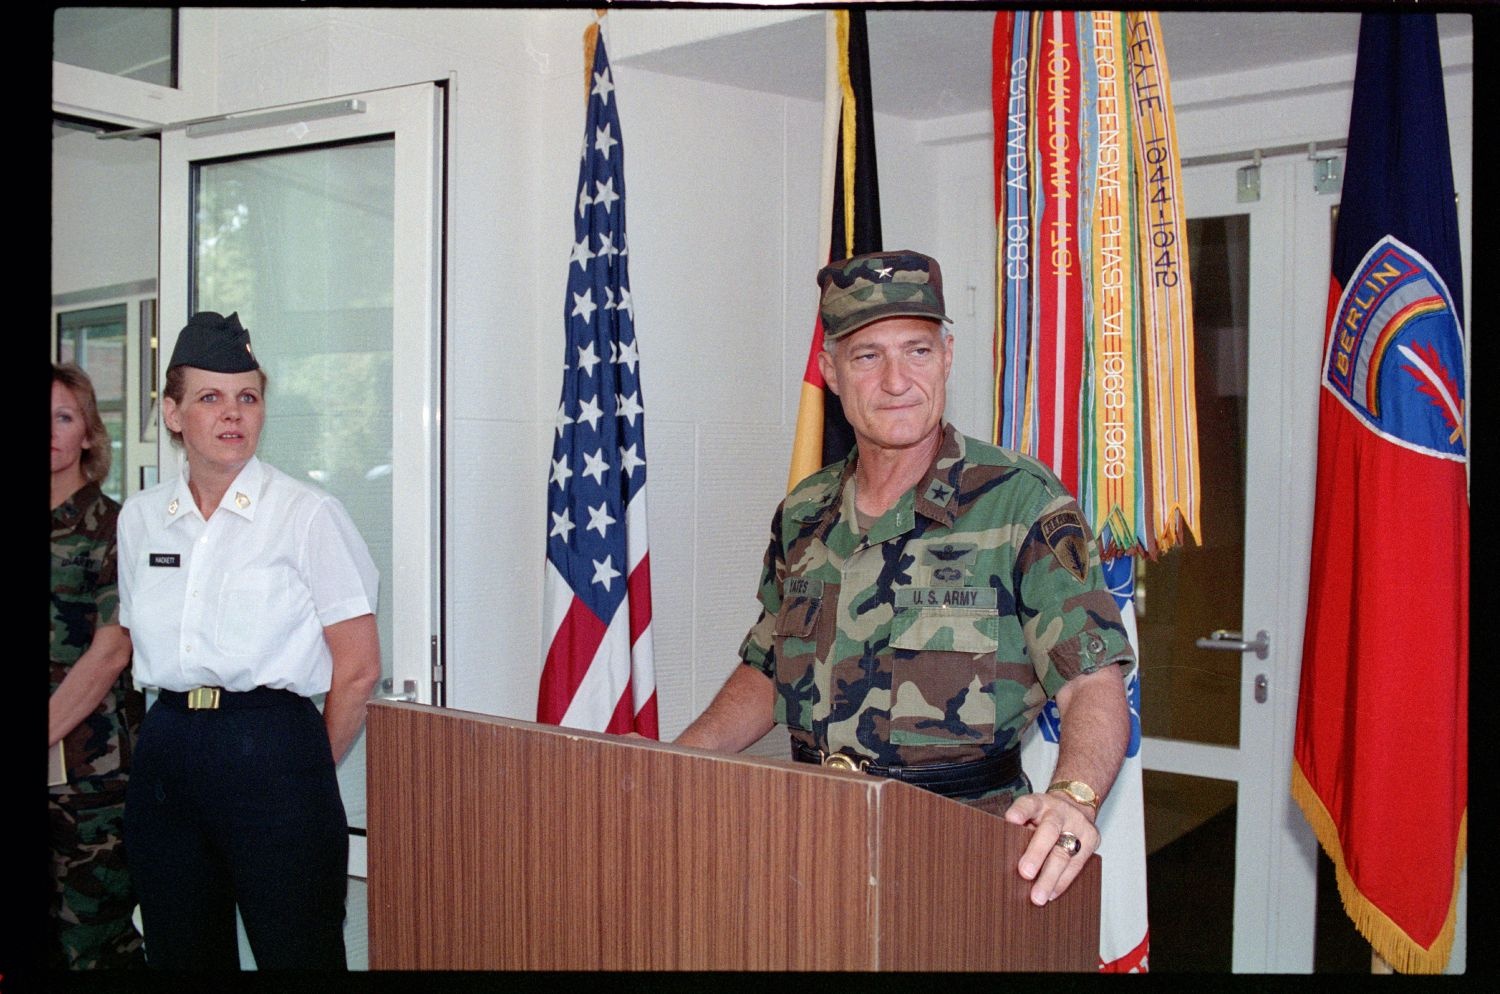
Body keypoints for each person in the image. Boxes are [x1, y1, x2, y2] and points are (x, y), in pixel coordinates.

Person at [676, 250, 1135, 907]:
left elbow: (1091, 680)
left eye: (917, 351)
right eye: (867, 357)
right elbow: (770, 668)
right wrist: (673, 761)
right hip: (808, 846)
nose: (897, 381)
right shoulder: (804, 513)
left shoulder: (1019, 503)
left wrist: (1073, 798)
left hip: (964, 857)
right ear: (831, 372)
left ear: (947, 354)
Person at [118, 311, 381, 970]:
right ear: (174, 415)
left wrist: (300, 771)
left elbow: (358, 669)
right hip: (169, 742)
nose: (232, 414)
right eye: (210, 397)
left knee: (298, 955)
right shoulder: (142, 519)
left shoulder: (306, 515)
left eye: (248, 397)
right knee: (180, 955)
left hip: (273, 744)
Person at [50, 362, 147, 969]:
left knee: (91, 947)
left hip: (90, 780)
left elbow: (113, 649)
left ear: (88, 433)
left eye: (62, 417)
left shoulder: (116, 526)